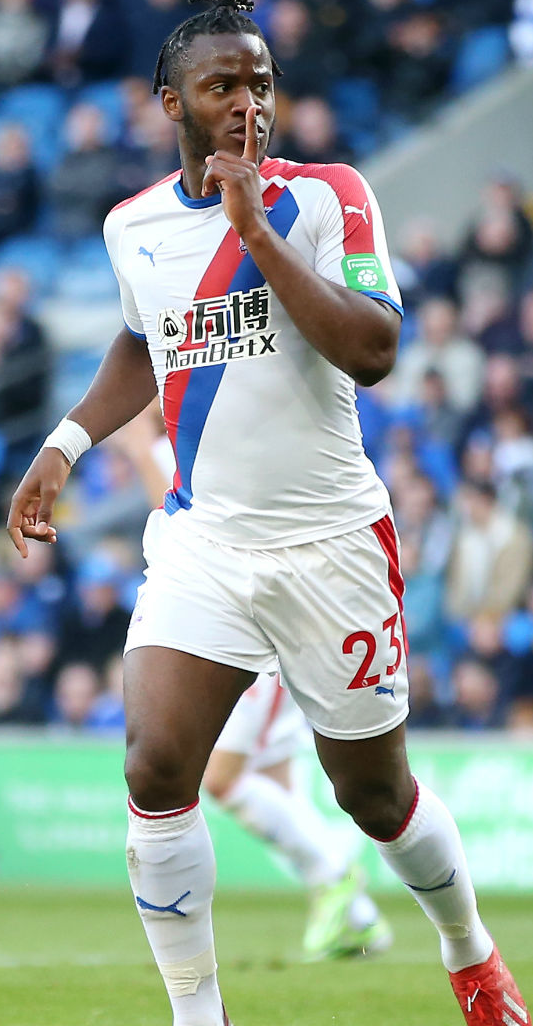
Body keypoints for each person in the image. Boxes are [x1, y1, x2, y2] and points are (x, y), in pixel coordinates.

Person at [2, 0, 524, 1026]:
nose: (247, 104)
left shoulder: (327, 197)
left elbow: (375, 349)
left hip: (331, 541)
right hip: (207, 542)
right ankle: (200, 1017)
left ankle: (470, 954)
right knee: (154, 766)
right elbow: (147, 337)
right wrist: (64, 442)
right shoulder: (132, 226)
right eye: (222, 88)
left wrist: (260, 235)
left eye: (262, 84)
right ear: (172, 105)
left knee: (374, 800)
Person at [117, 410, 390, 962]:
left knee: (222, 779)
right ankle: (358, 918)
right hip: (260, 617)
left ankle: (337, 876)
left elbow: (171, 516)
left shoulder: (185, 445)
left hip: (250, 634)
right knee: (274, 786)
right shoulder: (196, 433)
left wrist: (138, 449)